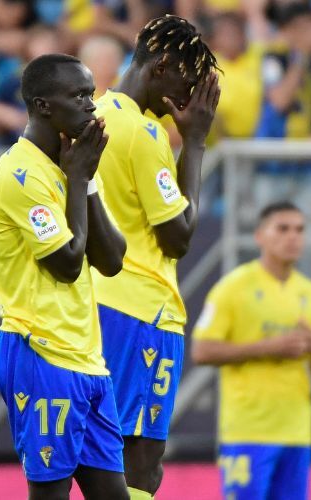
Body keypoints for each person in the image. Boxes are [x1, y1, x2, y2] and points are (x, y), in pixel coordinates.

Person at [89, 15, 220, 500]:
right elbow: (179, 236)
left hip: (98, 301)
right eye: (189, 83)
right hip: (142, 308)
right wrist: (198, 140)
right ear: (162, 66)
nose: (190, 100)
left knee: (103, 455)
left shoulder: (96, 112)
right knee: (141, 462)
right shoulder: (144, 135)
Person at [0, 53, 127, 500]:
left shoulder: (72, 161)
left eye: (92, 94)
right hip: (40, 351)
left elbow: (111, 259)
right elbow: (67, 264)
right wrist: (78, 178)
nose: (93, 105)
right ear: (44, 105)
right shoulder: (19, 174)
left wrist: (83, 180)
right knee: (50, 494)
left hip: (85, 357)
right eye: (80, 95)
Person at [192, 202, 311, 500]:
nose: (292, 237)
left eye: (299, 230)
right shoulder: (233, 287)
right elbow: (201, 350)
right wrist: (266, 347)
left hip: (297, 431)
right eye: (282, 229)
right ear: (260, 236)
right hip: (248, 430)